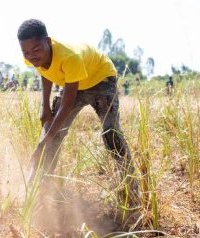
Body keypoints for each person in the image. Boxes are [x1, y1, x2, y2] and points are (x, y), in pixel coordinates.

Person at [17, 19, 138, 205]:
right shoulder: (31, 55)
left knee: (110, 133)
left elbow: (66, 105)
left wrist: (44, 141)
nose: (31, 55)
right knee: (51, 132)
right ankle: (38, 191)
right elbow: (45, 72)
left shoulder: (69, 57)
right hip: (72, 81)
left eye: (36, 50)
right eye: (26, 51)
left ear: (48, 42)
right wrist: (45, 107)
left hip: (100, 79)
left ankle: (131, 188)